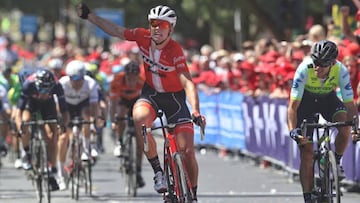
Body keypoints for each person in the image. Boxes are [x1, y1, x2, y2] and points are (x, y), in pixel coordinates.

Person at [77, 4, 206, 202]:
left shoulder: (175, 50)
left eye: (161, 24)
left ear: (170, 28)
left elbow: (188, 82)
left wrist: (196, 110)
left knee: (187, 152)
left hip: (174, 99)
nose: (156, 28)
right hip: (151, 94)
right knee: (140, 118)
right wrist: (90, 16)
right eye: (153, 23)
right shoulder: (142, 36)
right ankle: (158, 172)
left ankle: (193, 195)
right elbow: (116, 31)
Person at [287, 40, 359, 203]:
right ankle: (308, 196)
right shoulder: (304, 69)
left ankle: (337, 161)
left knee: (345, 124)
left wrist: (356, 127)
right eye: (315, 62)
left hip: (328, 100)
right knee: (306, 152)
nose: (317, 67)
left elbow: (350, 104)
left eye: (322, 64)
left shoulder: (341, 71)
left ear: (333, 63)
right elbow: (293, 106)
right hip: (305, 103)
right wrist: (293, 130)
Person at [15, 68, 69, 191]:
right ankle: (27, 152)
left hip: (48, 105)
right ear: (36, 85)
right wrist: (20, 127)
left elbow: (64, 111)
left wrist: (64, 124)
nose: (44, 93)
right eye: (41, 89)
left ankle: (53, 168)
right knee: (25, 121)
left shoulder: (57, 86)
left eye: (47, 90)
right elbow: (19, 111)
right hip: (31, 103)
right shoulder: (29, 85)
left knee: (53, 135)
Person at [57, 60, 99, 190]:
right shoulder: (62, 84)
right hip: (67, 108)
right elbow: (57, 107)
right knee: (63, 138)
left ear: (83, 76)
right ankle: (60, 173)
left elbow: (94, 107)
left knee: (87, 116)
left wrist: (93, 123)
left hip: (83, 105)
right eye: (73, 79)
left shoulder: (90, 84)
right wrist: (61, 123)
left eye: (79, 79)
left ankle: (86, 150)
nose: (76, 83)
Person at [109, 60, 145, 187]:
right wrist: (113, 119)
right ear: (125, 75)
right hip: (122, 101)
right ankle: (120, 142)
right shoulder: (117, 80)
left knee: (141, 140)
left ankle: (138, 171)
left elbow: (149, 101)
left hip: (137, 101)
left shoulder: (143, 81)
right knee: (120, 115)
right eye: (129, 77)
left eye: (134, 77)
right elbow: (113, 102)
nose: (131, 80)